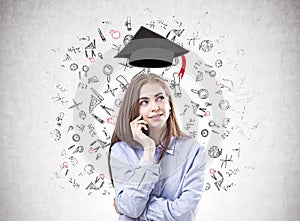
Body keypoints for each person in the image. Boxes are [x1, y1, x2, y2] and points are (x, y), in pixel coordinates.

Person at [108, 73, 206, 221]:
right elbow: (131, 208)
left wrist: (134, 209)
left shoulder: (194, 151)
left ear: (170, 104)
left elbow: (185, 214)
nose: (154, 107)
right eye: (144, 102)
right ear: (134, 109)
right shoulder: (121, 151)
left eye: (160, 98)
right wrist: (148, 150)